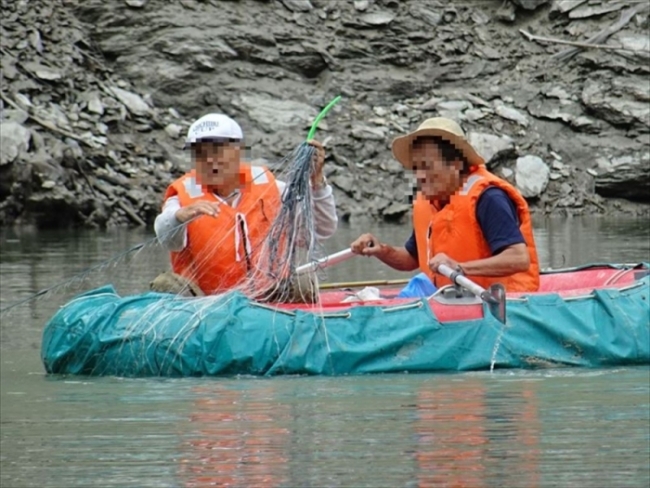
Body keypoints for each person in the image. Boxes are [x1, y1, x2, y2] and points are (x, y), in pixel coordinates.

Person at [152, 113, 338, 296]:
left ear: (239, 151)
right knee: (165, 284)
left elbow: (321, 230)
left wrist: (317, 183)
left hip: (269, 296)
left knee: (304, 283)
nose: (209, 160)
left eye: (217, 151)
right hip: (205, 303)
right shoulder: (183, 195)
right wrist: (178, 217)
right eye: (200, 154)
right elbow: (166, 237)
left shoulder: (272, 188)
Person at [350, 117, 540, 294]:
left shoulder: (488, 198)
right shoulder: (431, 201)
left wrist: (460, 267)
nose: (419, 176)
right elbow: (411, 258)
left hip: (502, 306)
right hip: (452, 302)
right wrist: (380, 250)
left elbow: (519, 259)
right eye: (416, 168)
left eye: (427, 166)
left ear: (456, 164)